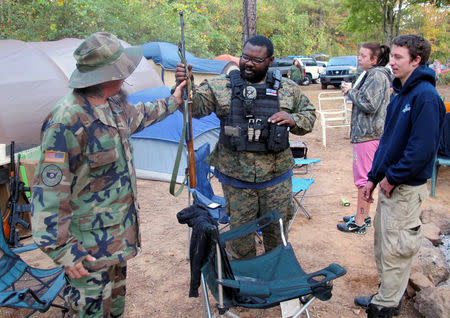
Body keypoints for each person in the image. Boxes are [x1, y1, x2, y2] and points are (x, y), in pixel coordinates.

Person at [31, 32, 185, 317]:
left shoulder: (113, 104)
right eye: (121, 69)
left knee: (114, 310)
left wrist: (174, 99)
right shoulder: (66, 120)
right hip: (86, 251)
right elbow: (48, 195)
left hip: (116, 240)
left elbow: (141, 115)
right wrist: (64, 251)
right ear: (104, 76)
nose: (126, 75)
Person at [175, 35, 316, 259]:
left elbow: (309, 116)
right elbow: (194, 107)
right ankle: (245, 284)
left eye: (256, 60)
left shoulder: (288, 89)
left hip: (277, 180)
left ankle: (275, 276)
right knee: (240, 240)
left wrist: (293, 119)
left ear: (270, 61)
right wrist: (184, 86)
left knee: (277, 236)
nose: (248, 63)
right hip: (237, 182)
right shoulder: (221, 85)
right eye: (244, 57)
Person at [354, 34, 445, 318]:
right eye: (391, 56)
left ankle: (385, 307)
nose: (391, 62)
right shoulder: (402, 93)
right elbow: (387, 143)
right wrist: (373, 177)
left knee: (396, 249)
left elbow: (422, 151)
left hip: (404, 188)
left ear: (417, 60)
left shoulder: (426, 98)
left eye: (398, 58)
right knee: (384, 245)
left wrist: (392, 178)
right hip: (389, 185)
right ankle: (386, 294)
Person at [337, 42, 393, 234]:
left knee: (363, 180)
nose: (359, 58)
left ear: (374, 59)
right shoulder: (374, 74)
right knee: (365, 178)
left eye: (363, 55)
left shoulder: (377, 75)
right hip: (368, 135)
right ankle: (363, 214)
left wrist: (350, 91)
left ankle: (359, 222)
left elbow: (370, 104)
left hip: (368, 136)